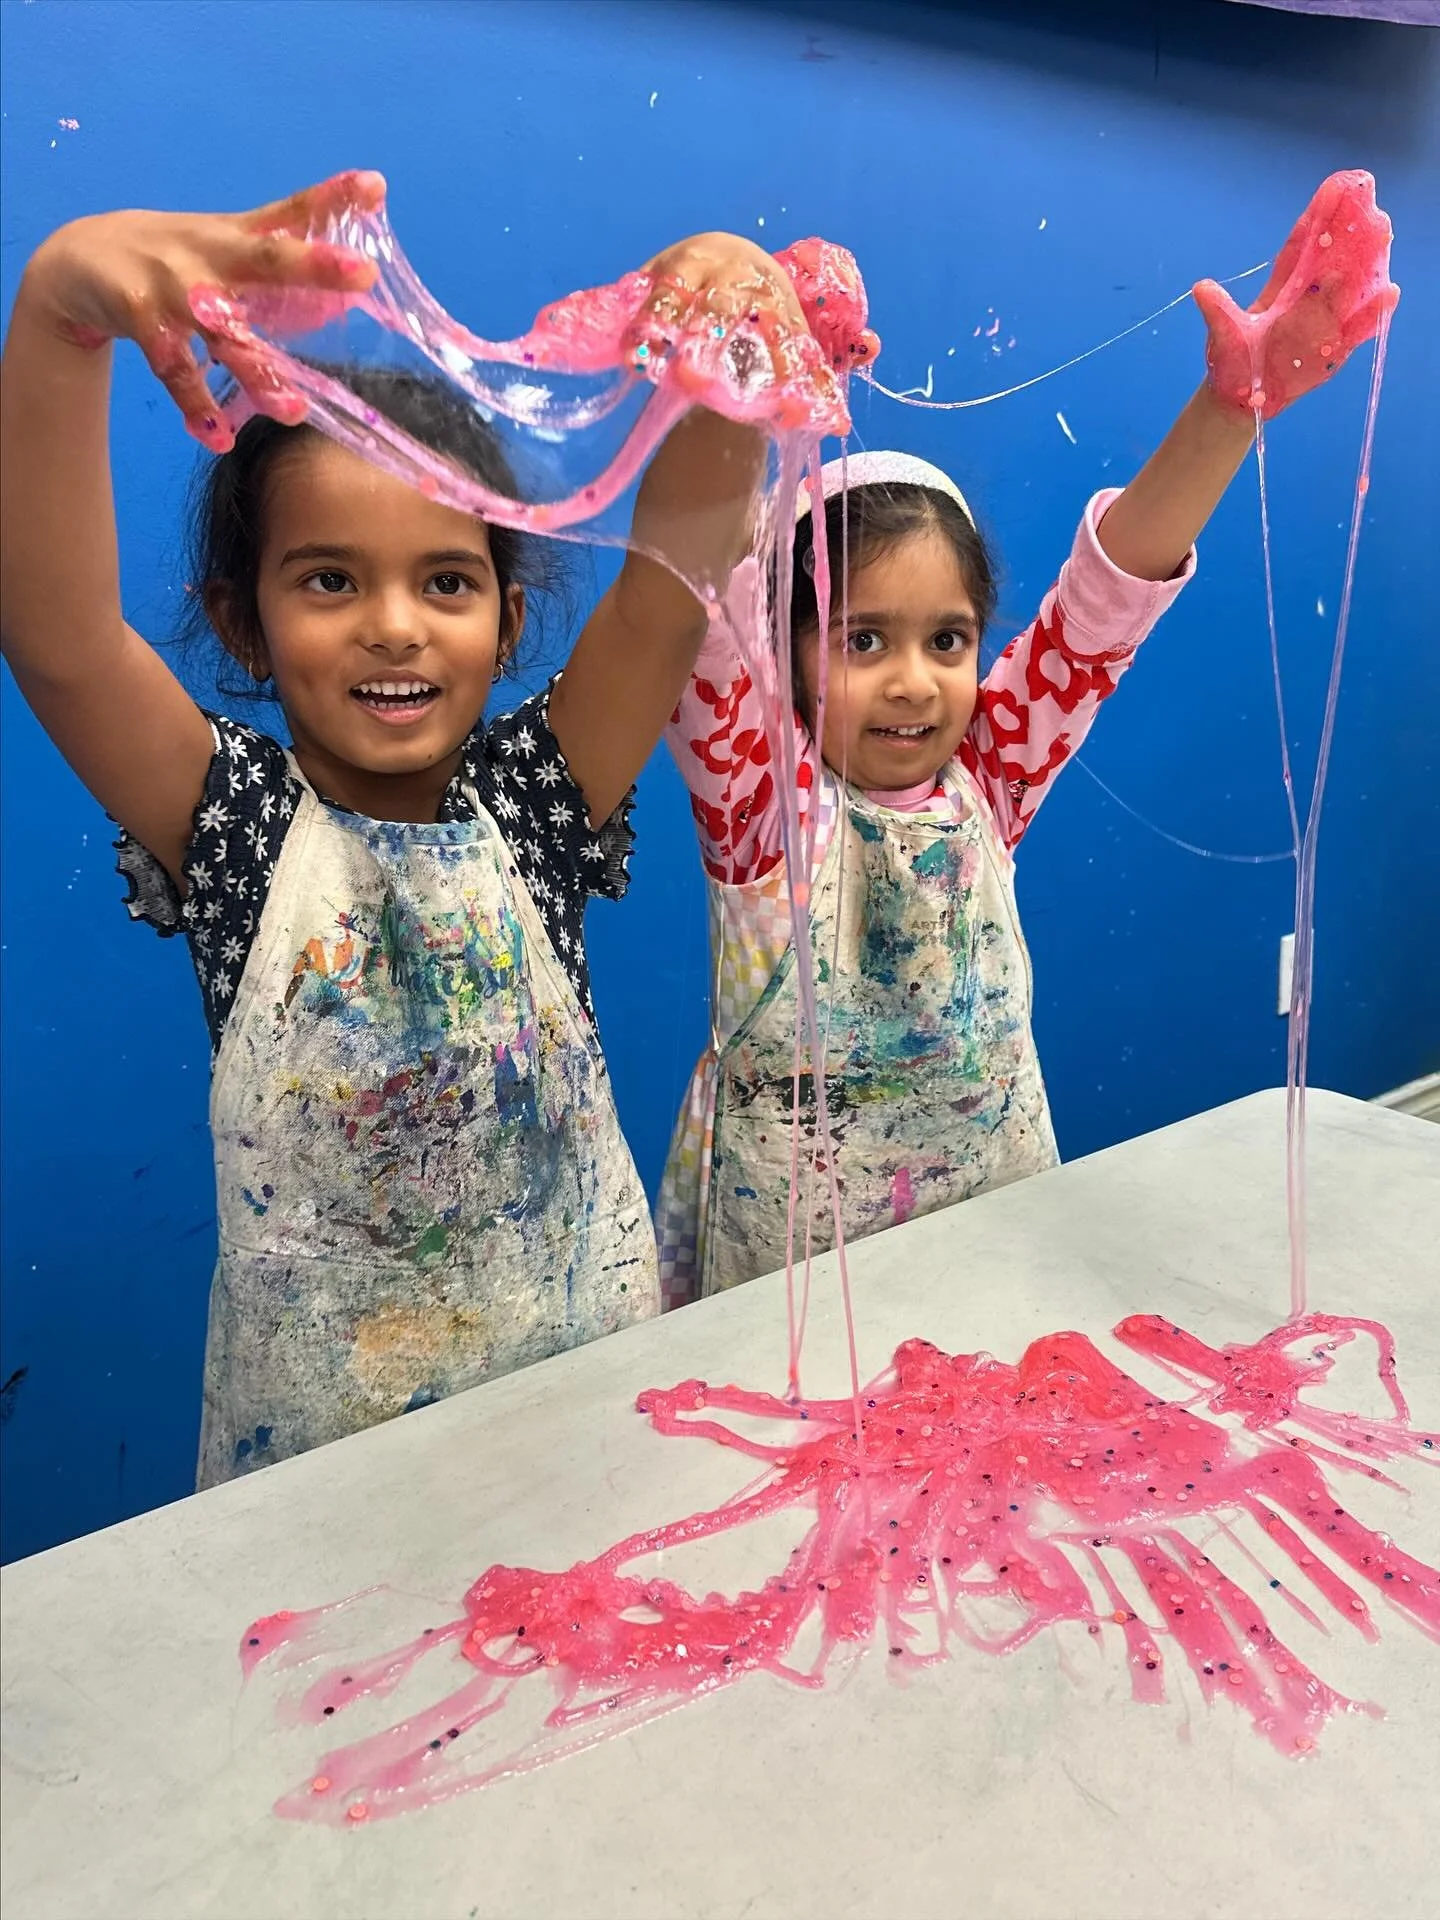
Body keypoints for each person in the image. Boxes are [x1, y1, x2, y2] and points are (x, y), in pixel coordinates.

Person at [0, 169, 822, 1484]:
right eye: (330, 580)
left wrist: (733, 325)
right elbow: (58, 639)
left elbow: (670, 595)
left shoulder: (537, 806)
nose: (394, 623)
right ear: (241, 623)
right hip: (330, 1485)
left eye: (446, 581)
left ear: (505, 617)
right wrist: (56, 313)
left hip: (591, 1433)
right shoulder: (241, 834)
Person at [657, 174, 1396, 1304]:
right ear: (784, 654)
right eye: (863, 642)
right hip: (791, 1296)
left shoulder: (988, 781)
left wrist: (1229, 409)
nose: (915, 681)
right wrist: (761, 400)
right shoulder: (764, 813)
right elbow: (701, 612)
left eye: (947, 640)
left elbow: (1104, 606)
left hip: (992, 1247)